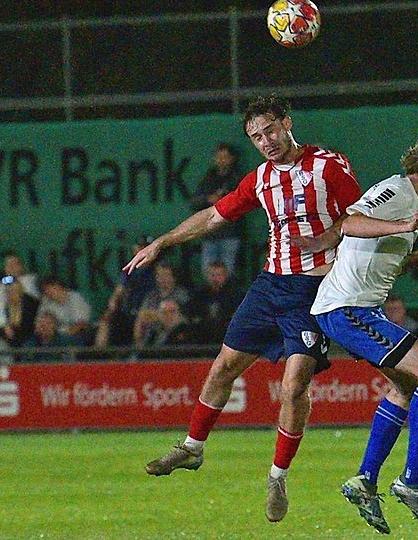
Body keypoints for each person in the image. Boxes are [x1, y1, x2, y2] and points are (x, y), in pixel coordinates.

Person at [131, 95, 361, 523]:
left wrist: (331, 244)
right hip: (270, 285)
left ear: (287, 123)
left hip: (315, 292)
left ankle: (278, 477)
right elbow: (213, 217)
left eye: (270, 130)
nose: (266, 141)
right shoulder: (260, 178)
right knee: (223, 367)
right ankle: (192, 448)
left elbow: (359, 218)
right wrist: (162, 241)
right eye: (256, 136)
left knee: (293, 386)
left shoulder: (329, 166)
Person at [303, 142, 418, 534]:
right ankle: (411, 482)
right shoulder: (395, 192)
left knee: (406, 388)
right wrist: (405, 225)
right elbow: (350, 224)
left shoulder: (405, 205)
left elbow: (383, 263)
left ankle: (365, 480)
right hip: (347, 310)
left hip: (356, 309)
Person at [191, 143, 245, 279]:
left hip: (230, 234)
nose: (221, 160)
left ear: (232, 158)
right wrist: (208, 199)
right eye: (219, 157)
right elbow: (195, 201)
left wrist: (223, 200)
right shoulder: (209, 178)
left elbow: (242, 202)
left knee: (228, 275)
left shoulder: (237, 178)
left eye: (225, 157)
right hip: (210, 234)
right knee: (207, 275)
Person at [187, 261, 244, 345]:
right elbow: (190, 312)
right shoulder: (200, 293)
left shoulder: (235, 294)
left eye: (219, 275)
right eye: (212, 275)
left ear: (225, 276)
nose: (215, 279)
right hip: (202, 334)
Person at [36, 276, 93, 344]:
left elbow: (81, 324)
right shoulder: (46, 301)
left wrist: (61, 332)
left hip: (78, 334)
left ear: (59, 286)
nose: (48, 292)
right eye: (45, 290)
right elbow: (39, 322)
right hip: (53, 334)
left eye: (50, 288)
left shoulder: (75, 298)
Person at [0, 252, 40, 328]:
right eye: (8, 265)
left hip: (29, 323)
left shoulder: (30, 279)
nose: (11, 267)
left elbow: (29, 303)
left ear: (21, 266)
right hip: (9, 325)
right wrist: (4, 326)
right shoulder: (2, 284)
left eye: (14, 264)